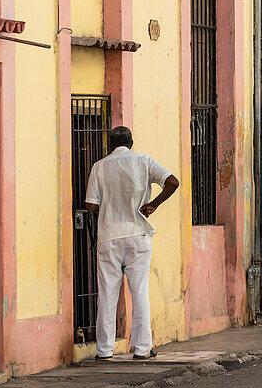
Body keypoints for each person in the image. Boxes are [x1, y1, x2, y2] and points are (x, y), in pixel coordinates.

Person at [85, 126, 179, 360]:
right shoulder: (144, 161)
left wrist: (109, 200)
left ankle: (104, 351)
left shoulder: (100, 166)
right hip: (137, 235)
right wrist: (153, 204)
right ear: (132, 142)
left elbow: (91, 206)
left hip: (109, 237)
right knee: (139, 293)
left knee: (107, 295)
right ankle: (142, 348)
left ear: (110, 143)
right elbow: (173, 182)